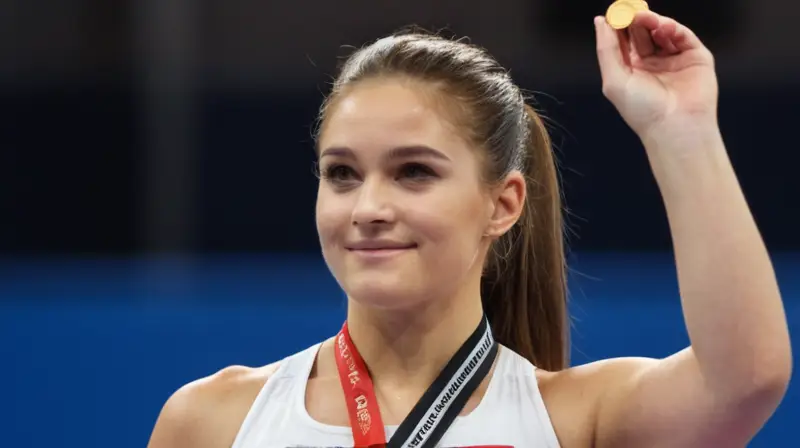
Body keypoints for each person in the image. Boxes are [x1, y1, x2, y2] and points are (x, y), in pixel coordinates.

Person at [147, 11, 792, 448]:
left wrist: (682, 132)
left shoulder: (575, 421)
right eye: (342, 173)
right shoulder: (212, 422)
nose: (367, 206)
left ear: (502, 205)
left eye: (414, 173)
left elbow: (745, 379)